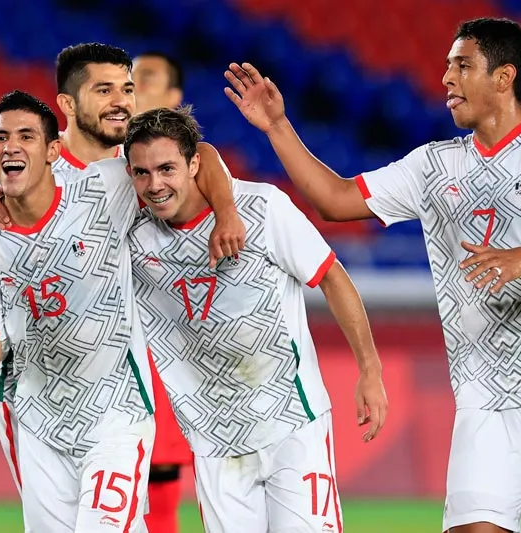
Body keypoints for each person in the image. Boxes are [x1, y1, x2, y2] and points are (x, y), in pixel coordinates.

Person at [227, 17, 521, 533]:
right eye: (447, 66)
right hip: (482, 390)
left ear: (504, 77)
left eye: (462, 65)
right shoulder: (432, 166)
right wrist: (277, 126)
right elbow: (335, 200)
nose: (446, 79)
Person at [0, 43, 245, 499]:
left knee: (127, 506)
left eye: (128, 88)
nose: (122, 101)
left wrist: (227, 211)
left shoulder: (132, 164)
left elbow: (202, 154)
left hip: (116, 369)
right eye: (105, 90)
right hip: (36, 382)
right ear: (69, 105)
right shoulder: (18, 176)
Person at [122, 106, 388, 532]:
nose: (155, 185)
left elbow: (332, 277)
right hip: (213, 441)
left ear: (193, 164)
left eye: (167, 168)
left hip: (291, 423)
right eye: (141, 173)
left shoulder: (262, 208)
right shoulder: (131, 236)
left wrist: (370, 370)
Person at [0, 90, 157, 533]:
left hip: (115, 410)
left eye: (26, 136)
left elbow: (185, 156)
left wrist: (225, 211)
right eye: (0, 138)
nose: (10, 146)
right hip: (39, 422)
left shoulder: (103, 189)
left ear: (54, 149)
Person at [131, 50, 192, 533]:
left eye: (146, 78)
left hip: (166, 329)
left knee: (161, 468)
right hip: (104, 329)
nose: (132, 84)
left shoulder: (193, 166)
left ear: (174, 99)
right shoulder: (100, 156)